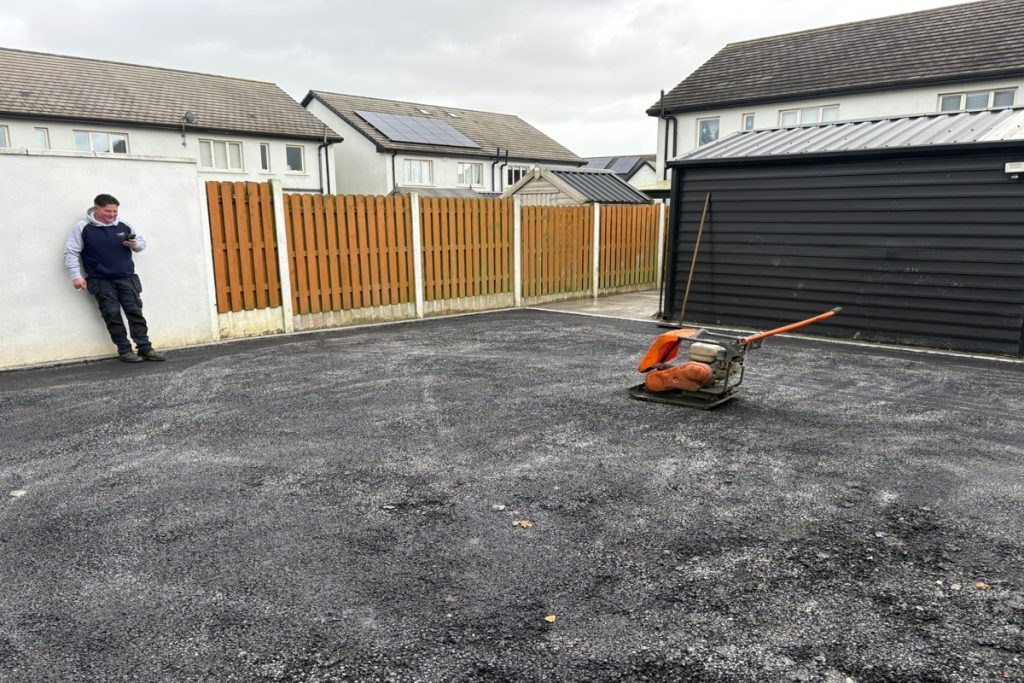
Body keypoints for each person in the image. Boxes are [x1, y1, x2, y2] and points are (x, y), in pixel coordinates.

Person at [64, 194, 166, 363]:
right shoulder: (82, 227)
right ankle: (125, 351)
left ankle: (145, 348)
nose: (112, 215)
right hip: (100, 280)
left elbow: (141, 243)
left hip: (127, 278)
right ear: (96, 208)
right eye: (108, 211)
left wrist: (136, 245)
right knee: (112, 315)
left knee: (135, 313)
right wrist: (76, 276)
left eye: (115, 211)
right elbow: (71, 253)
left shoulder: (123, 225)